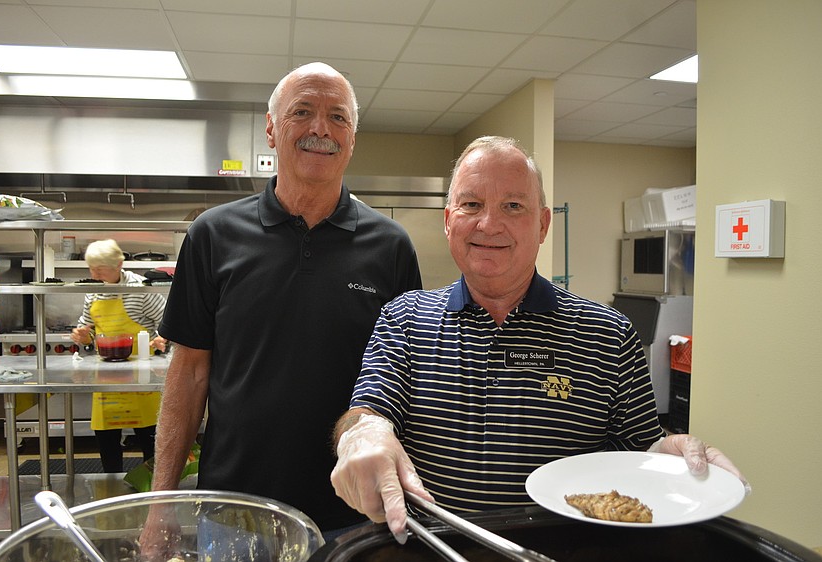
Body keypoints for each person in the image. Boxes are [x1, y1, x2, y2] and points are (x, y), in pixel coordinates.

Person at [330, 136, 747, 543]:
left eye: (513, 206)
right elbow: (367, 412)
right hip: (428, 549)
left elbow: (640, 453)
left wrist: (667, 453)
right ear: (448, 220)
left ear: (543, 224)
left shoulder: (609, 334)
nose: (489, 224)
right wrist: (360, 434)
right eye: (471, 204)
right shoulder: (403, 318)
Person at [141, 61, 422, 553]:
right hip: (234, 513)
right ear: (271, 129)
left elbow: (404, 380)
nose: (321, 128)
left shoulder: (391, 247)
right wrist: (160, 504)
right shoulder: (213, 235)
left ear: (353, 137)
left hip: (354, 516)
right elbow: (188, 376)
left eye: (338, 117)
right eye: (303, 112)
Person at [70, 238, 168, 472]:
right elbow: (87, 326)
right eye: (91, 268)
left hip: (142, 374)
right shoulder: (92, 292)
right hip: (106, 375)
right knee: (106, 438)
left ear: (118, 265)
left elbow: (167, 321)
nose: (93, 273)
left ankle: (152, 489)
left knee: (149, 438)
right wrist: (83, 336)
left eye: (99, 268)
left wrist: (162, 338)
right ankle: (110, 484)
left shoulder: (140, 288)